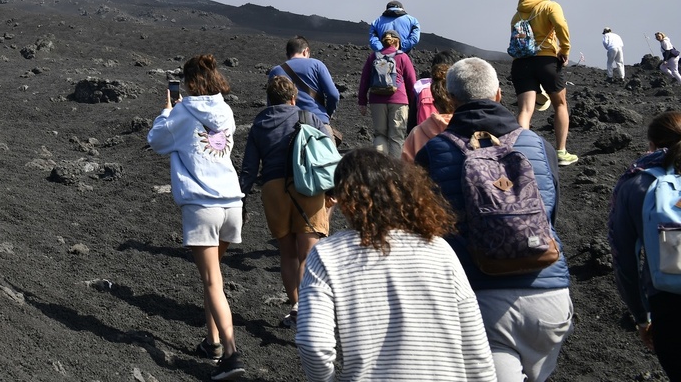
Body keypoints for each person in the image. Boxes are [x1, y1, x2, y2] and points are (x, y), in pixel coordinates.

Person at [416, 58, 573, 382]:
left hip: (480, 298)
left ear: (452, 99)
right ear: (499, 94)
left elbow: (424, 230)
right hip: (549, 291)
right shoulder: (539, 146)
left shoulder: (434, 151)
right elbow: (550, 213)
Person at [296, 150, 496, 382]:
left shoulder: (326, 254)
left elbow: (313, 343)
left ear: (345, 200)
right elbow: (476, 349)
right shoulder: (439, 249)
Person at [147, 54, 247, 380]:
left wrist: (166, 111)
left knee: (211, 281)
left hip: (203, 205)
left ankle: (231, 355)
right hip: (233, 204)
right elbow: (216, 143)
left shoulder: (182, 111)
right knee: (214, 278)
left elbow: (157, 141)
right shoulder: (226, 112)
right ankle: (213, 342)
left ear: (189, 82)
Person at [238, 74, 331, 330]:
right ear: (294, 98)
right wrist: (333, 190)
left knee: (287, 253)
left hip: (272, 189)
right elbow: (327, 153)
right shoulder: (310, 117)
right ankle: (305, 308)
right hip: (307, 187)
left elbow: (249, 168)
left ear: (269, 99)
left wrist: (241, 198)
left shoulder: (259, 124)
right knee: (308, 253)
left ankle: (296, 306)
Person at [609, 111, 681, 381]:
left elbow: (624, 261)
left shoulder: (635, 183)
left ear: (651, 145)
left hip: (670, 310)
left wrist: (642, 317)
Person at [510, 0, 577, 166]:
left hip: (521, 63)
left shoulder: (518, 13)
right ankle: (561, 152)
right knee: (560, 104)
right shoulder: (550, 6)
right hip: (546, 60)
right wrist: (564, 50)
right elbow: (560, 25)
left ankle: (521, 153)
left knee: (525, 109)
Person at [356, 30, 419, 159]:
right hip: (399, 101)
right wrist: (414, 104)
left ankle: (380, 169)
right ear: (397, 42)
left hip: (376, 100)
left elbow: (364, 80)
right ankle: (395, 170)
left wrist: (362, 101)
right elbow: (412, 82)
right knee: (396, 136)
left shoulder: (373, 56)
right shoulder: (403, 57)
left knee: (380, 135)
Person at [268, 36, 340, 128]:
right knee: (327, 142)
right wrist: (327, 114)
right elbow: (333, 95)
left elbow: (271, 104)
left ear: (287, 54)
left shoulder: (275, 71)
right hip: (317, 122)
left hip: (286, 124)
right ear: (306, 51)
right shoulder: (317, 65)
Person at [402, 50, 457, 162]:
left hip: (423, 139)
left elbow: (412, 120)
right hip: (452, 146)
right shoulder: (457, 91)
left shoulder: (422, 89)